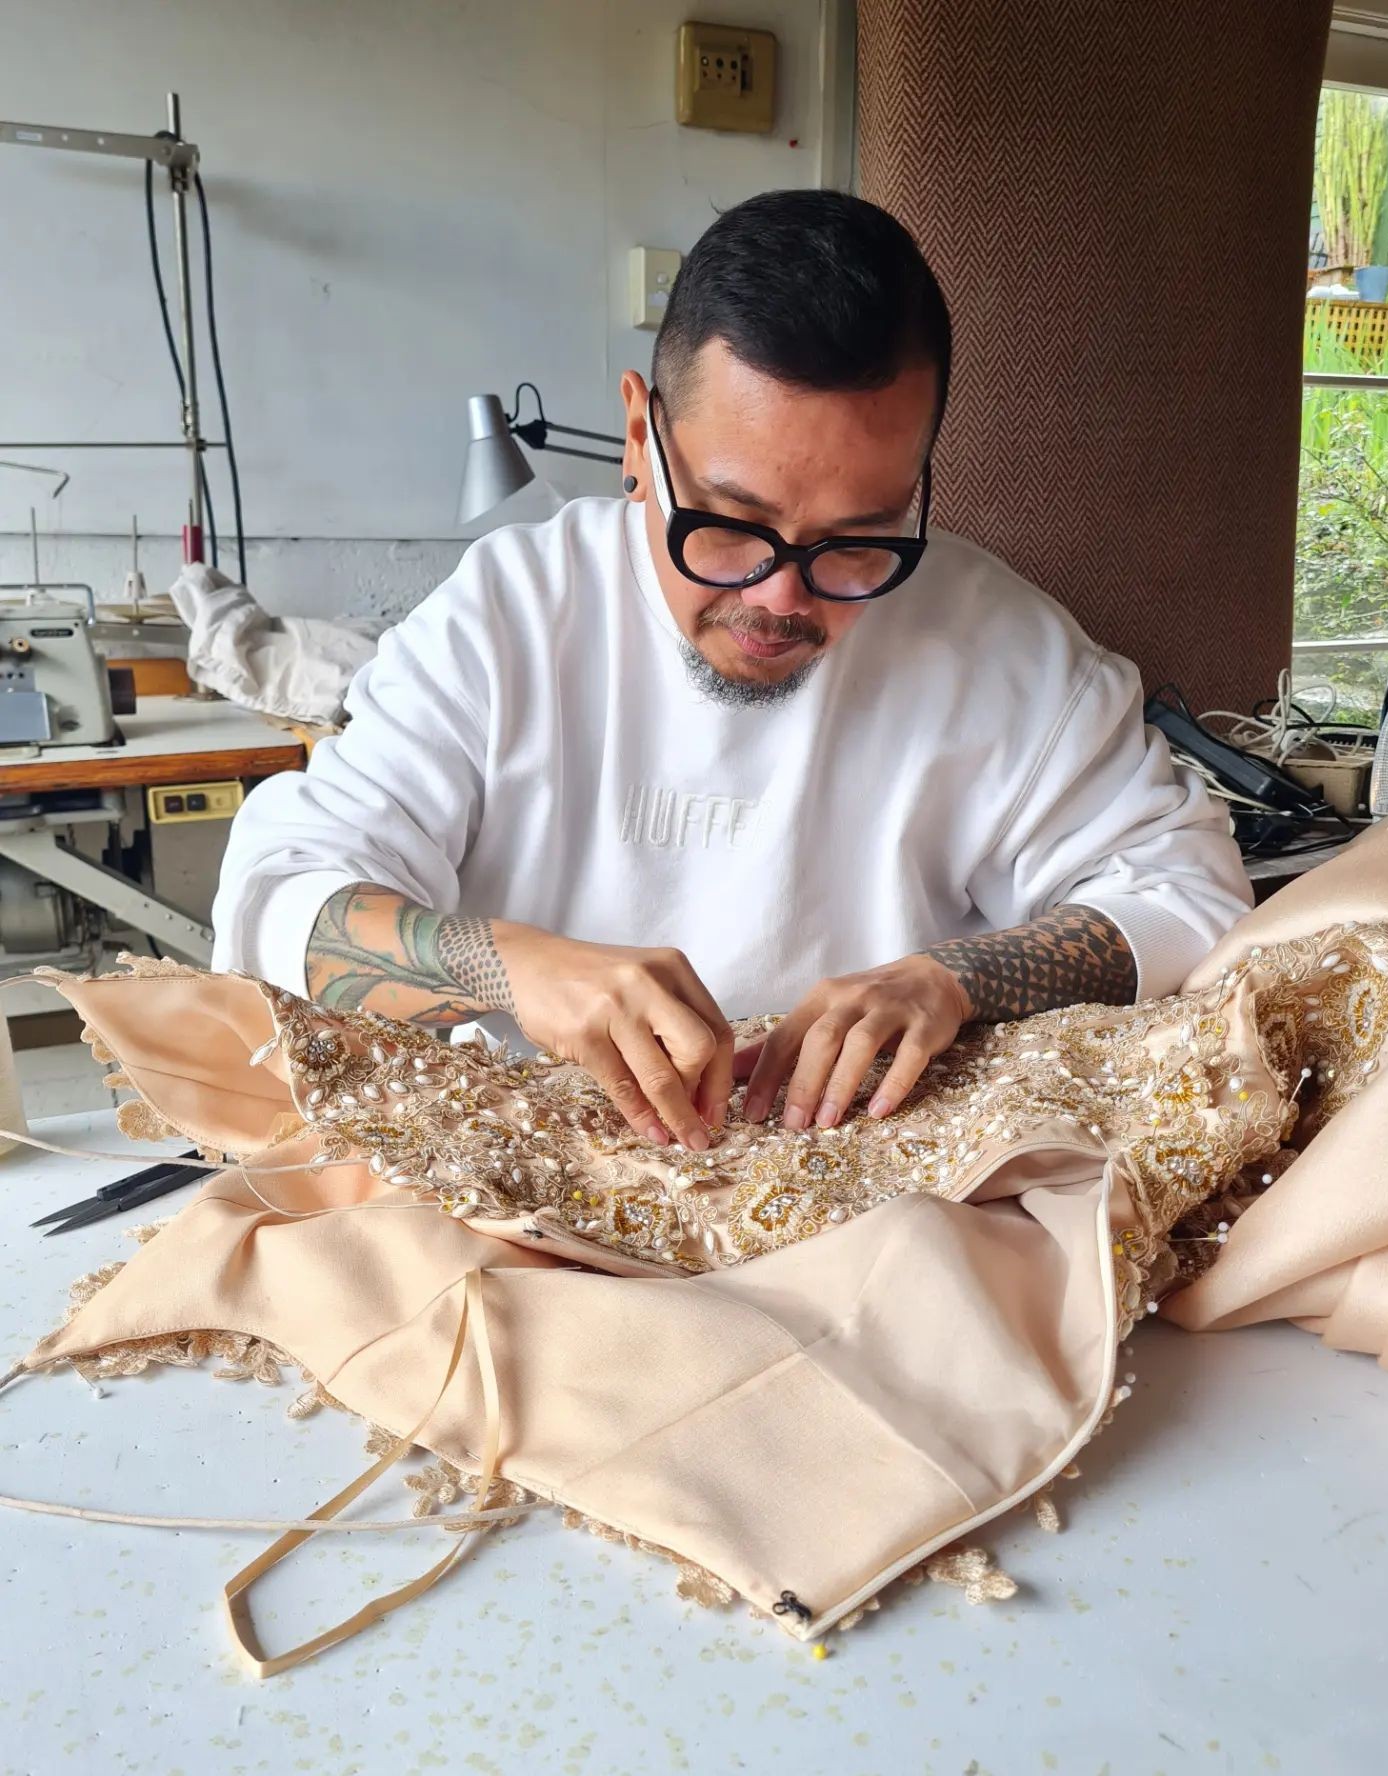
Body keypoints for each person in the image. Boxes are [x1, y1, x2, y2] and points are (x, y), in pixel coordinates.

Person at [213, 189, 1250, 1157]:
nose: (780, 598)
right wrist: (510, 966)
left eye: (858, 539)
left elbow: (1195, 897)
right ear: (638, 434)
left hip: (873, 1197)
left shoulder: (1002, 645)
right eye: (732, 524)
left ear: (917, 487)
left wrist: (958, 980)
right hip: (541, 1180)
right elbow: (276, 902)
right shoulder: (513, 614)